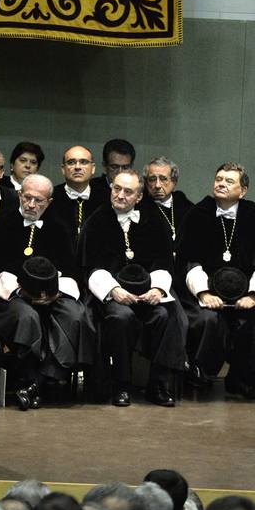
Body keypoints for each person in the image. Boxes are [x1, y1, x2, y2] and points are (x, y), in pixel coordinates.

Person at [81, 169, 186, 407]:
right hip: (110, 296)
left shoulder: (154, 221)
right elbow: (89, 266)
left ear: (139, 197)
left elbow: (163, 262)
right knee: (122, 318)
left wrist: (158, 290)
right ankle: (121, 385)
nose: (120, 195)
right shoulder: (96, 221)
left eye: (128, 191)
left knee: (164, 316)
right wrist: (113, 291)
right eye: (116, 189)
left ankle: (158, 385)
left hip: (148, 294)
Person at [0, 174, 93, 409]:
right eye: (27, 198)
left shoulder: (59, 227)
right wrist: (23, 292)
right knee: (27, 317)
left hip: (54, 293)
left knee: (75, 316)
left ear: (49, 202)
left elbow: (70, 269)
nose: (31, 205)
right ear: (19, 195)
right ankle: (28, 379)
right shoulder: (4, 223)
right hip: (14, 295)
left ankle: (39, 382)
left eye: (38, 200)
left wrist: (53, 293)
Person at [178, 163, 255, 397]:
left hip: (246, 293)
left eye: (229, 181)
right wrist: (204, 293)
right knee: (208, 319)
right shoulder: (198, 213)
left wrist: (252, 295)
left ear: (242, 191)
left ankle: (242, 378)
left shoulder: (253, 214)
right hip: (203, 293)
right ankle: (200, 373)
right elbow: (188, 260)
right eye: (219, 178)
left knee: (249, 320)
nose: (221, 183)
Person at [51, 145, 108, 249]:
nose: (77, 167)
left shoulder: (107, 198)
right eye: (71, 162)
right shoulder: (50, 198)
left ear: (93, 168)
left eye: (84, 162)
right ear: (63, 169)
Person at [142, 157, 193, 251]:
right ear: (146, 182)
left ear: (174, 182)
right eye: (152, 179)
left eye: (163, 179)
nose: (157, 185)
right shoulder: (139, 208)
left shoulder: (186, 208)